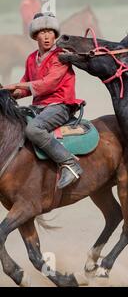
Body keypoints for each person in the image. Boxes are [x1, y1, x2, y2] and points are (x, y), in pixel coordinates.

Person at [3, 12, 84, 189]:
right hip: (39, 107)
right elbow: (25, 85)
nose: (47, 36)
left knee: (33, 129)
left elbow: (49, 84)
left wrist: (16, 85)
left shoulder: (60, 56)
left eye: (50, 32)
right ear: (35, 36)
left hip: (60, 105)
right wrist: (7, 93)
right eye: (42, 32)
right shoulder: (32, 58)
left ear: (55, 34)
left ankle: (70, 163)